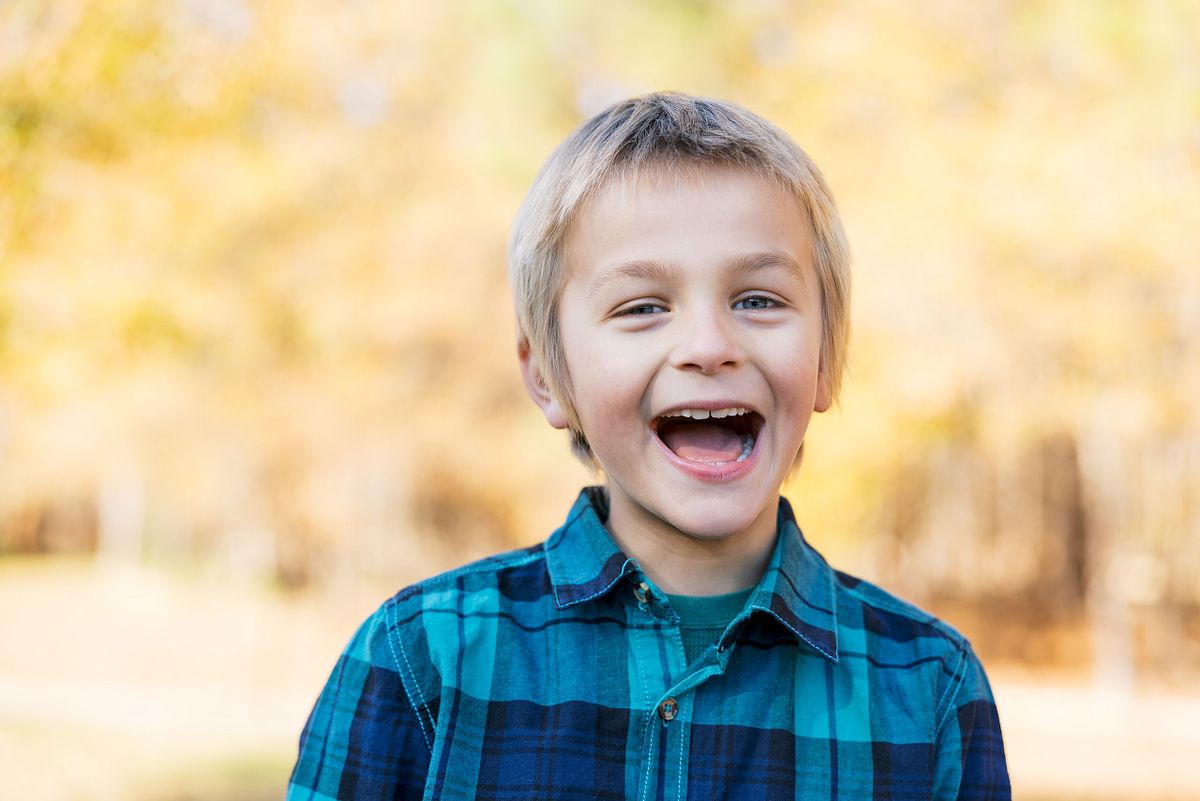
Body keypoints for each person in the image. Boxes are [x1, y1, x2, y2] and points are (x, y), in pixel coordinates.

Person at [286, 92, 1011, 800]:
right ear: (548, 374)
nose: (707, 345)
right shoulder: (422, 664)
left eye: (757, 298)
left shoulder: (931, 691)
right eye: (642, 307)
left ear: (826, 358)